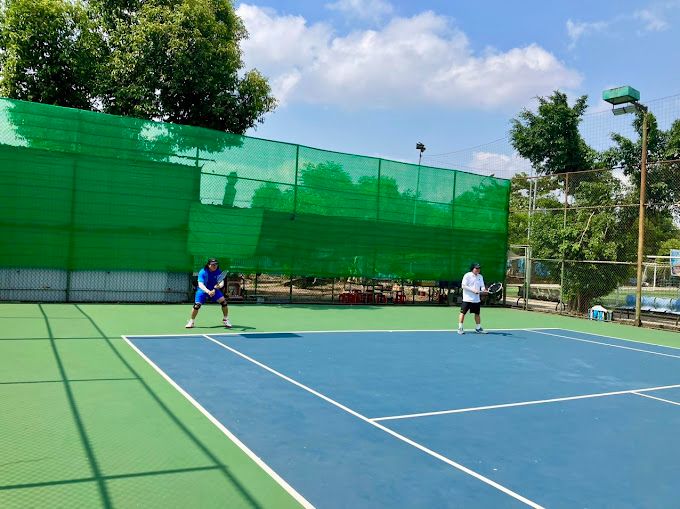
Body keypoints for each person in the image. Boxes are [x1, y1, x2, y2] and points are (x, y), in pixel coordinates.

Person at [185, 258, 232, 328]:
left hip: (214, 290)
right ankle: (191, 321)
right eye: (213, 264)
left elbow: (221, 282)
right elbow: (200, 284)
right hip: (203, 290)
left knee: (224, 302)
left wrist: (219, 286)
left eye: (216, 264)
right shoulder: (203, 272)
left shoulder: (218, 271)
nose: (215, 266)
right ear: (208, 265)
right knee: (196, 306)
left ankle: (225, 319)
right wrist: (208, 291)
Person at [458, 262, 487, 335]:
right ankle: (460, 328)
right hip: (467, 299)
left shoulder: (480, 276)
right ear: (472, 269)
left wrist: (483, 289)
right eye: (476, 268)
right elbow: (463, 286)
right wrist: (473, 290)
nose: (478, 269)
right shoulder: (467, 275)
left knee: (477, 314)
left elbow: (482, 286)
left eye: (479, 268)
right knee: (462, 313)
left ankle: (478, 328)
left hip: (476, 300)